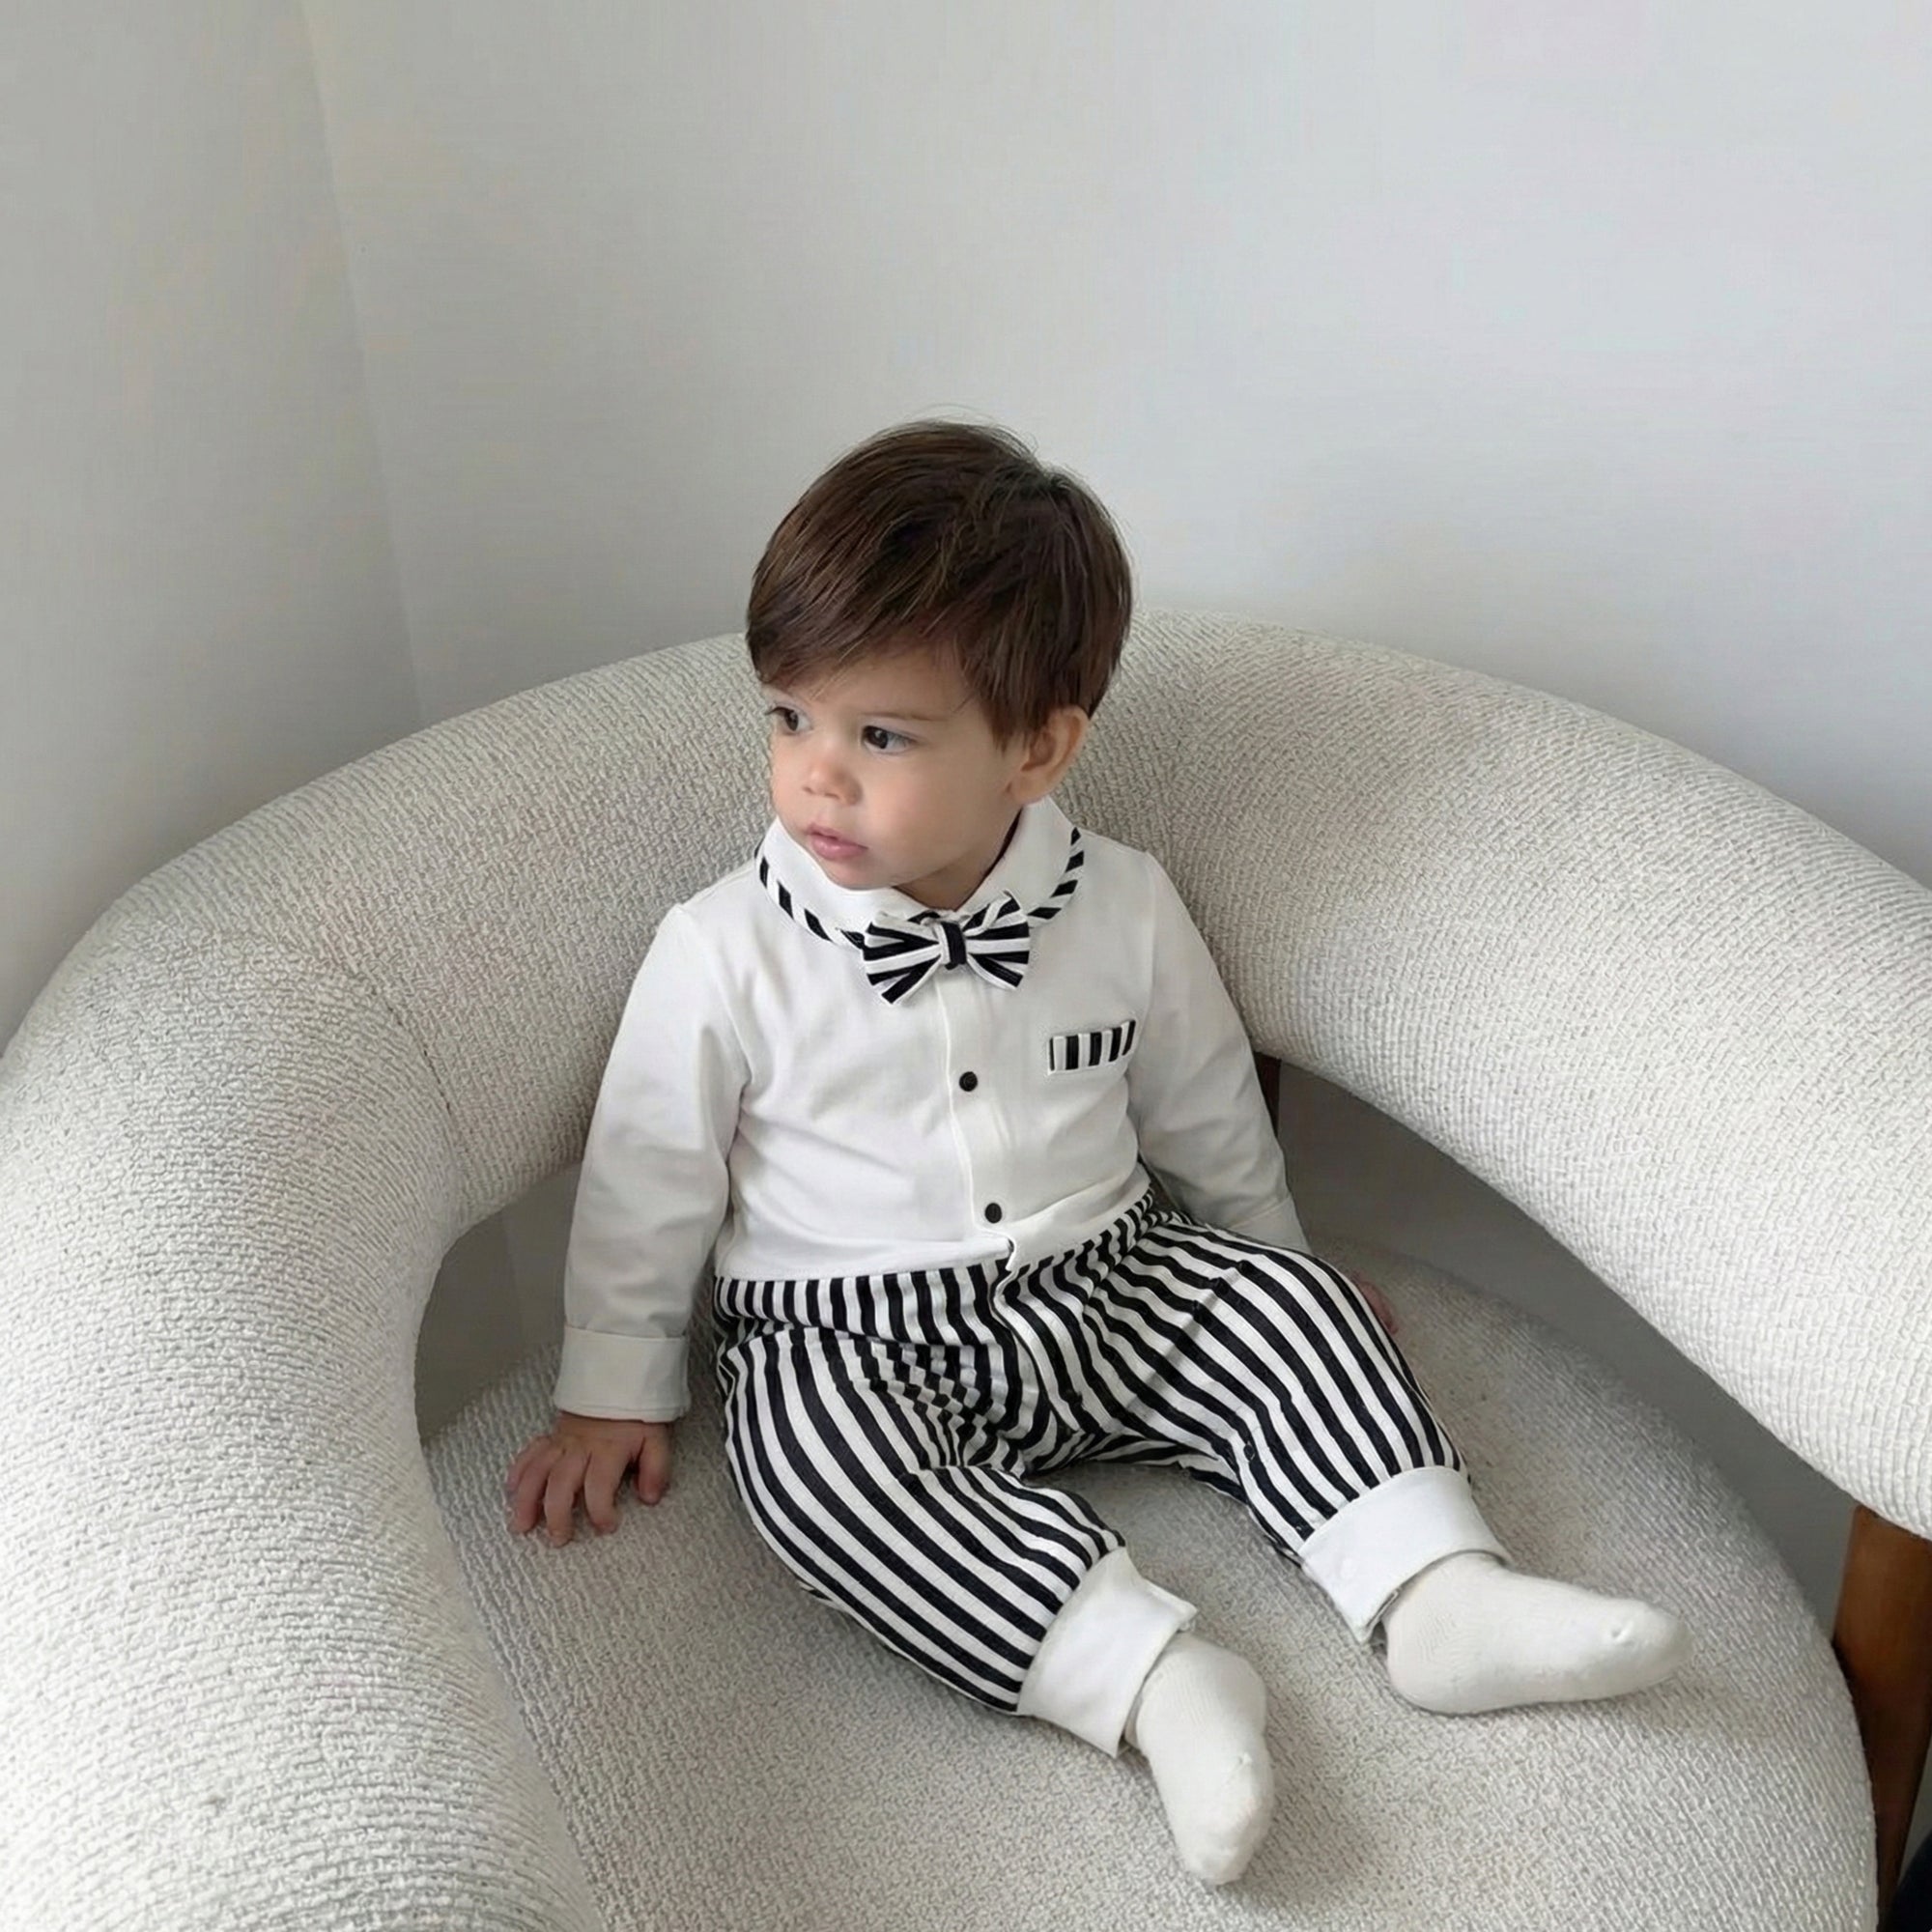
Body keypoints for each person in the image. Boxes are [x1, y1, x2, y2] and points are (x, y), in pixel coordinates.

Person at [505, 419, 1690, 1888]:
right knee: (809, 1473)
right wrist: (611, 1386)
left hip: (1116, 1275)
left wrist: (1278, 1269)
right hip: (846, 1336)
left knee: (1296, 1312)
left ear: (1040, 748)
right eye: (790, 718)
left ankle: (1437, 1593)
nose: (815, 778)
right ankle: (1152, 1680)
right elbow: (647, 1180)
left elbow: (1206, 1112)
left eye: (881, 738)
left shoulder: (1123, 904)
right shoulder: (720, 951)